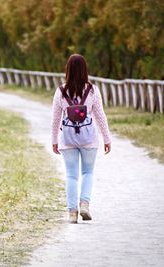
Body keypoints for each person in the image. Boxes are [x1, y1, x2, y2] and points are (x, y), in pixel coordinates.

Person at [51, 54, 112, 223]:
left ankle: (72, 212)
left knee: (71, 175)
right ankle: (85, 203)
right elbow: (100, 116)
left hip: (68, 138)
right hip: (89, 138)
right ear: (85, 70)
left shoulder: (61, 91)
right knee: (87, 172)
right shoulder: (92, 90)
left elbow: (55, 118)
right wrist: (107, 138)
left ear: (67, 70)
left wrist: (54, 140)